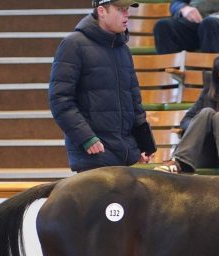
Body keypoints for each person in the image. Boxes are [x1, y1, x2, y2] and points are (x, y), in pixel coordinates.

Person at [49, 0, 155, 173]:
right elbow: (60, 99)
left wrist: (144, 145)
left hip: (127, 157)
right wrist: (87, 138)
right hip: (94, 156)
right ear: (101, 11)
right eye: (121, 9)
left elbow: (134, 101)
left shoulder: (123, 50)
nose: (127, 14)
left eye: (127, 9)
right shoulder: (73, 44)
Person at [154, 0, 219, 54]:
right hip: (195, 23)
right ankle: (169, 85)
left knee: (209, 24)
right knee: (163, 26)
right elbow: (175, 3)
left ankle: (210, 85)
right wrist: (183, 8)